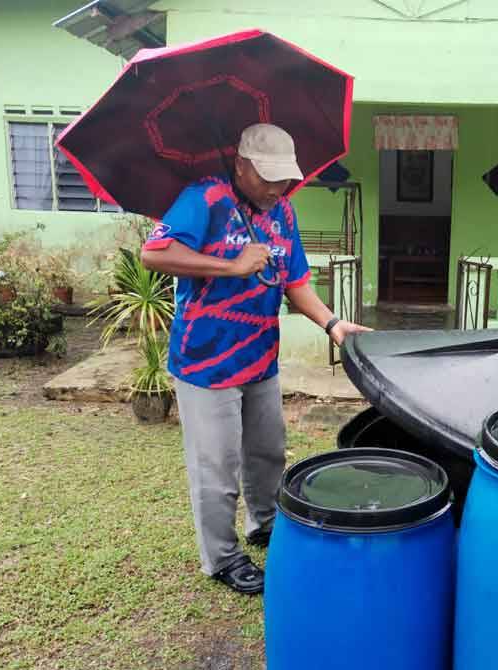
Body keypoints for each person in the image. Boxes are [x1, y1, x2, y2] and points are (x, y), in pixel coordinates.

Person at [140, 123, 370, 595]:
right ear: (241, 165)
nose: (277, 187)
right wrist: (230, 265)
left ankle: (264, 524)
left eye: (284, 177)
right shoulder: (205, 197)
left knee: (267, 453)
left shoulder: (282, 210)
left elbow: (295, 281)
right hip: (206, 364)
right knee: (217, 467)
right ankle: (222, 558)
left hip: (260, 357)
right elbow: (155, 253)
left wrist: (332, 323)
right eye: (267, 177)